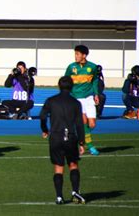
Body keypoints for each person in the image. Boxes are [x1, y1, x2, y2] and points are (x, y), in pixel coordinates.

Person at [40, 76, 86, 205]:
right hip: (70, 137)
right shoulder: (76, 103)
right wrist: (81, 142)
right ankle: (75, 191)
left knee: (58, 167)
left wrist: (45, 129)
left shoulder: (51, 101)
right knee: (73, 165)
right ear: (72, 87)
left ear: (59, 86)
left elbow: (42, 116)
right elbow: (79, 125)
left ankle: (59, 197)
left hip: (55, 137)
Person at [64, 45, 100, 156]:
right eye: (75, 54)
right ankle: (89, 146)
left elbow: (94, 81)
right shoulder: (71, 67)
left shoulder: (92, 67)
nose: (76, 56)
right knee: (83, 122)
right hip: (77, 98)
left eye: (77, 54)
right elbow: (66, 80)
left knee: (92, 124)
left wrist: (96, 94)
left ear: (84, 55)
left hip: (89, 98)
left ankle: (80, 136)